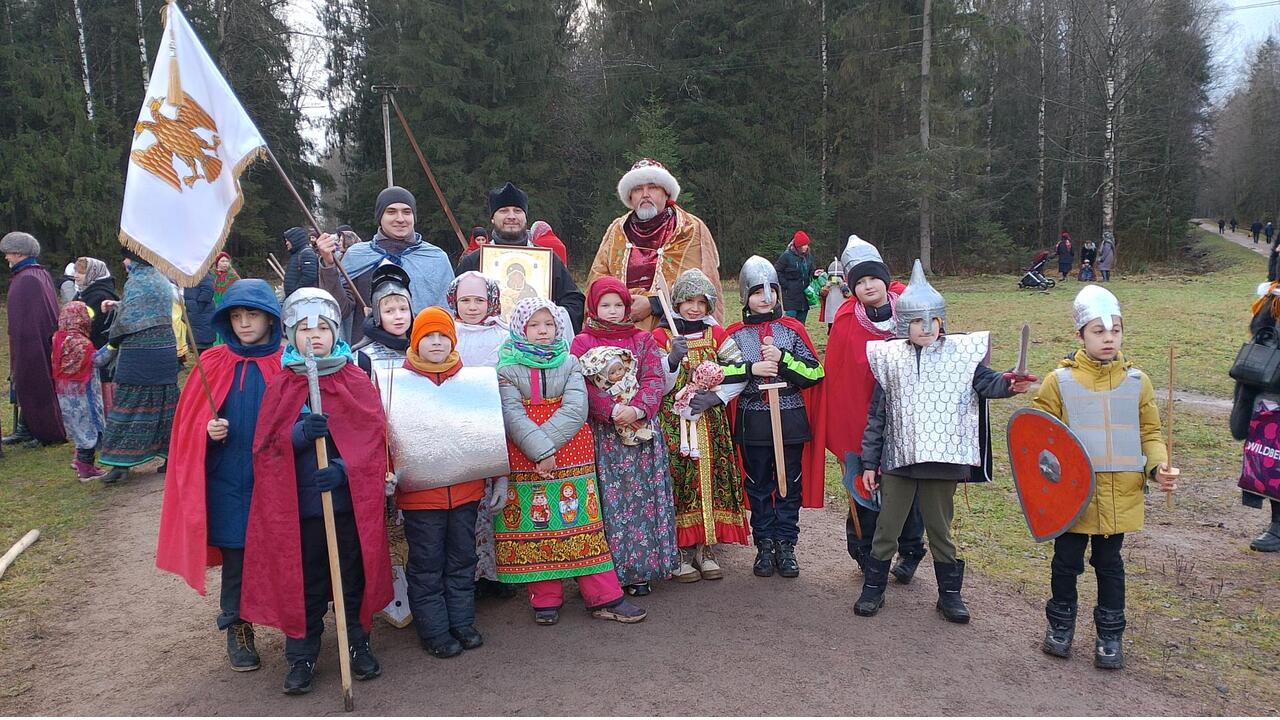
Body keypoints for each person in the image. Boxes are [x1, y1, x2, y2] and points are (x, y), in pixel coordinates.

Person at [855, 260, 1032, 623]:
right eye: (918, 321)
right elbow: (878, 418)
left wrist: (1009, 384)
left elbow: (987, 383)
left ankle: (949, 596)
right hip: (899, 462)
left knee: (940, 530)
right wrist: (870, 463)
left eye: (932, 320)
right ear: (906, 323)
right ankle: (873, 589)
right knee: (887, 528)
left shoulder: (960, 356)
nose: (926, 328)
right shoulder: (890, 359)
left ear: (941, 320)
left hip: (942, 462)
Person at [240, 288, 391, 695]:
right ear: (289, 335)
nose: (315, 337)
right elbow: (266, 447)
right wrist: (298, 434)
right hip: (299, 509)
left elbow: (372, 439)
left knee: (349, 577)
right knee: (303, 581)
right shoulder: (282, 384)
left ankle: (356, 643)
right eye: (305, 330)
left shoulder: (353, 378)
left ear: (335, 331)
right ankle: (302, 653)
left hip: (344, 506)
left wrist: (343, 470)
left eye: (322, 328)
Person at [1031, 284, 1176, 669]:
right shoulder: (1057, 382)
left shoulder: (1137, 382)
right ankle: (1060, 628)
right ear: (1080, 335)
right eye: (1098, 331)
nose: (1108, 338)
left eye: (1115, 331)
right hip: (1073, 498)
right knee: (1066, 563)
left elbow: (1149, 434)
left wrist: (1157, 466)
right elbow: (1040, 442)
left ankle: (1109, 637)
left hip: (1120, 495)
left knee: (1110, 566)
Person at [155, 279, 283, 672]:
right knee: (238, 557)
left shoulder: (286, 361)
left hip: (276, 480)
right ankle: (238, 626)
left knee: (284, 553)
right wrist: (206, 433)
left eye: (253, 315)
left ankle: (299, 624)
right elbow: (187, 429)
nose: (245, 323)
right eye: (237, 316)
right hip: (227, 480)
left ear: (270, 319)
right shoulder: (212, 364)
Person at [494, 297, 646, 625]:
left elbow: (576, 409)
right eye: (534, 324)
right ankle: (545, 596)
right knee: (537, 525)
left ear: (559, 325)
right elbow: (511, 413)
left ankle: (603, 596)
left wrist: (546, 448)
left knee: (582, 523)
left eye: (548, 324)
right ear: (520, 327)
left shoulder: (569, 361)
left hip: (570, 452)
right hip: (526, 454)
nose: (542, 331)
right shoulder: (506, 367)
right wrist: (540, 451)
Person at [807, 236, 927, 581]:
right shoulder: (846, 320)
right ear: (851, 287)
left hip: (909, 423)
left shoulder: (913, 310)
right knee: (864, 487)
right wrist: (848, 431)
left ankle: (910, 551)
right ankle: (866, 553)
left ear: (885, 279)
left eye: (873, 278)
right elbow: (841, 380)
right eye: (860, 281)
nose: (868, 286)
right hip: (863, 423)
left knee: (910, 493)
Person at [571, 277, 679, 597]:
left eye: (619, 304)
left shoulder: (642, 340)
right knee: (608, 502)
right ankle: (608, 571)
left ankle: (642, 568)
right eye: (606, 304)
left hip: (641, 435)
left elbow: (653, 378)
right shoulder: (582, 343)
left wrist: (637, 410)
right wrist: (609, 410)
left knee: (643, 499)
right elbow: (582, 386)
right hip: (605, 437)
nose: (613, 311)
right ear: (593, 306)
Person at [720, 257, 825, 578]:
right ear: (745, 296)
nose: (765, 297)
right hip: (754, 423)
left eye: (771, 290)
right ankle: (764, 545)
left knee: (788, 484)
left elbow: (815, 372)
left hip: (790, 419)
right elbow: (718, 372)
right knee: (759, 485)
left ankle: (786, 545)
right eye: (757, 291)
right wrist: (751, 369)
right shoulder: (734, 334)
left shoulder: (792, 329)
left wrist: (783, 360)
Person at [395, 307, 489, 658]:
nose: (436, 342)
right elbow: (391, 438)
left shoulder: (469, 381)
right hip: (421, 497)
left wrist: (496, 478)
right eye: (428, 336)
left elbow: (483, 433)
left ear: (453, 339)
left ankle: (462, 622)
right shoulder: (399, 385)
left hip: (465, 492)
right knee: (427, 563)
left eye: (442, 336)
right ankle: (434, 630)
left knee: (463, 558)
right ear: (416, 341)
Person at [652, 269, 751, 581]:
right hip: (674, 423)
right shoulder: (662, 336)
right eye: (687, 301)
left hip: (709, 423)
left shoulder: (718, 335)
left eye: (701, 302)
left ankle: (706, 548)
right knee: (679, 480)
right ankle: (679, 551)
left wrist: (715, 397)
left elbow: (739, 371)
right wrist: (671, 359)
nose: (694, 308)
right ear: (676, 302)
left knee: (709, 478)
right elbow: (654, 381)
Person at [590, 158, 725, 330]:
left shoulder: (690, 229)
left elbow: (702, 284)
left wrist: (653, 304)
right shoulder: (617, 230)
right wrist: (619, 304)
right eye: (638, 189)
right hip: (618, 326)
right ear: (630, 197)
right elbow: (598, 278)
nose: (645, 194)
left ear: (666, 193)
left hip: (675, 332)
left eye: (652, 187)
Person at [446, 271, 514, 599]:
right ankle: (468, 576)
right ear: (454, 302)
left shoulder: (504, 334)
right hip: (458, 429)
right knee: (467, 504)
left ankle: (495, 574)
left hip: (496, 423)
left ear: (492, 302)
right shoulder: (446, 333)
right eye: (465, 301)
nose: (472, 307)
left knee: (494, 503)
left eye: (479, 301)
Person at [95, 249, 180, 483]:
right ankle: (170, 455)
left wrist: (111, 341)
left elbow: (128, 322)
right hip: (164, 350)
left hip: (140, 353)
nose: (124, 262)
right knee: (166, 404)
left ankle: (120, 464)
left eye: (126, 258)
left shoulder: (138, 280)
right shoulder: (160, 278)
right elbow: (144, 307)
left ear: (135, 259)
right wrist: (118, 304)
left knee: (128, 403)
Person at [455, 182, 584, 333]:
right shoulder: (473, 261)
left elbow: (573, 301)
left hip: (537, 347)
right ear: (492, 218)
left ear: (525, 216)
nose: (511, 216)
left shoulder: (547, 261)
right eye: (503, 211)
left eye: (517, 211)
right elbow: (455, 304)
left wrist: (550, 320)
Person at [335, 186, 456, 340]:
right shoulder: (356, 255)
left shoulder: (436, 258)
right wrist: (327, 267)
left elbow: (448, 310)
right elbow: (341, 308)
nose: (400, 219)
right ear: (380, 216)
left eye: (407, 212)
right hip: (366, 353)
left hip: (423, 351)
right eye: (391, 212)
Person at [1229, 282, 1280, 553]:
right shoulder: (1273, 297)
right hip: (1270, 394)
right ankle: (1278, 525)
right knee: (1272, 457)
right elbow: (1261, 333)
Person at [1, 232, 64, 447]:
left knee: (35, 384)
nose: (6, 257)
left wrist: (26, 346)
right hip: (32, 342)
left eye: (8, 253)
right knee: (26, 385)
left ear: (19, 253)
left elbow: (31, 319)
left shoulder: (28, 278)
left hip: (33, 344)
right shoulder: (37, 274)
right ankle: (26, 428)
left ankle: (45, 431)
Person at [52, 301, 106, 479]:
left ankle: (79, 460)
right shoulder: (81, 342)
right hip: (84, 391)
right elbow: (96, 360)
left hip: (65, 392)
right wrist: (113, 346)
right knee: (88, 425)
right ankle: (86, 468)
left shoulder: (58, 338)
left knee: (77, 426)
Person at [73, 257, 119, 408]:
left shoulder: (99, 296)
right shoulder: (84, 292)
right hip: (88, 350)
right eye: (76, 271)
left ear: (93, 273)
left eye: (81, 272)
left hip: (98, 351)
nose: (76, 275)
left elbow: (91, 324)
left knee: (101, 396)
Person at [352, 264, 413, 375]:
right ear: (377, 315)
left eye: (403, 309)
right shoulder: (363, 357)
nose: (398, 316)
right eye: (389, 311)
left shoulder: (425, 350)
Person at [775, 230, 816, 324]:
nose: (806, 247)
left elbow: (811, 270)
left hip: (805, 295)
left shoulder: (808, 256)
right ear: (798, 246)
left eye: (807, 244)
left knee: (801, 325)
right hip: (790, 296)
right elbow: (777, 270)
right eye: (803, 245)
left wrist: (815, 274)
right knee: (790, 323)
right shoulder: (786, 256)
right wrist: (786, 285)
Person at [184, 272, 217, 353]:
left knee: (204, 347)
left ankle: (205, 364)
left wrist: (198, 307)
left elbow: (207, 290)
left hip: (201, 313)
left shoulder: (203, 274)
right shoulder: (189, 275)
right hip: (193, 313)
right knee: (197, 344)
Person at [283, 226, 320, 298]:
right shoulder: (296, 254)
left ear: (295, 239)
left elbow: (310, 276)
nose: (286, 243)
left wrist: (295, 291)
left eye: (288, 240)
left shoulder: (306, 253)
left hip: (302, 298)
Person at [819, 256, 851, 331]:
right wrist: (826, 287)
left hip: (842, 310)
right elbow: (822, 295)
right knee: (832, 329)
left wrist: (842, 286)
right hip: (831, 311)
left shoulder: (845, 284)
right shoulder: (827, 284)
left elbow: (848, 295)